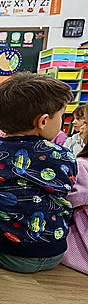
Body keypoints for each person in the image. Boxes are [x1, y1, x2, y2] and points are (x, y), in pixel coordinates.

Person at [0, 72, 77, 274]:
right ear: (43, 121)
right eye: (61, 116)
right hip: (54, 251)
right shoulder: (65, 156)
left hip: (4, 252)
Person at [62, 113, 88, 274]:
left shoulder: (83, 167)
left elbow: (64, 199)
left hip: (79, 251)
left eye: (85, 121)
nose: (81, 126)